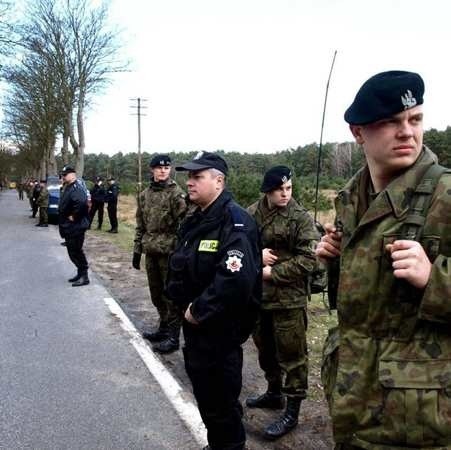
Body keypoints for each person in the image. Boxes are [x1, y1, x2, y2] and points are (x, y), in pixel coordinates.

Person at [316, 70, 451, 449]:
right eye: (390, 122)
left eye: (415, 119)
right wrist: (337, 260)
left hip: (421, 422)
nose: (407, 131)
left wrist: (434, 277)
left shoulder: (446, 195)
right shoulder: (351, 199)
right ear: (358, 132)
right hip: (356, 398)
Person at [166, 152, 262, 450]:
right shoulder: (198, 219)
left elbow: (235, 279)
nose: (189, 182)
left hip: (219, 332)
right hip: (197, 330)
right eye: (189, 176)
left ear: (218, 181)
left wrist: (198, 310)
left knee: (220, 403)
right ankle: (220, 443)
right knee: (209, 400)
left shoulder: (235, 223)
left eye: (197, 177)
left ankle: (230, 445)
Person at [246, 166, 319, 440]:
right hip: (259, 297)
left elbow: (310, 260)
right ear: (267, 191)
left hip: (289, 299)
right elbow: (236, 244)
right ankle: (274, 393)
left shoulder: (300, 218)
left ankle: (292, 411)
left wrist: (272, 273)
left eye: (289, 188)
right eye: (280, 189)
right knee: (264, 350)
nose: (285, 194)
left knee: (292, 356)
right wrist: (256, 256)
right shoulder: (252, 213)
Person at [132, 154, 187, 354]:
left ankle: (173, 336)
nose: (163, 170)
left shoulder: (176, 194)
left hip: (169, 252)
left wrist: (181, 253)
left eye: (166, 167)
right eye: (159, 168)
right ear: (152, 170)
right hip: (151, 250)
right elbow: (140, 224)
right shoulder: (144, 195)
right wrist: (137, 250)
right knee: (156, 293)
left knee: (170, 294)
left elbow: (185, 225)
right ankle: (163, 327)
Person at [59, 165, 90, 287]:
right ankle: (80, 273)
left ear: (72, 174)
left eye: (65, 175)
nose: (63, 177)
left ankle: (84, 276)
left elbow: (82, 203)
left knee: (76, 252)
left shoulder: (77, 187)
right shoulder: (69, 187)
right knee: (72, 252)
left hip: (76, 226)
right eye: (63, 175)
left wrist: (74, 216)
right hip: (70, 226)